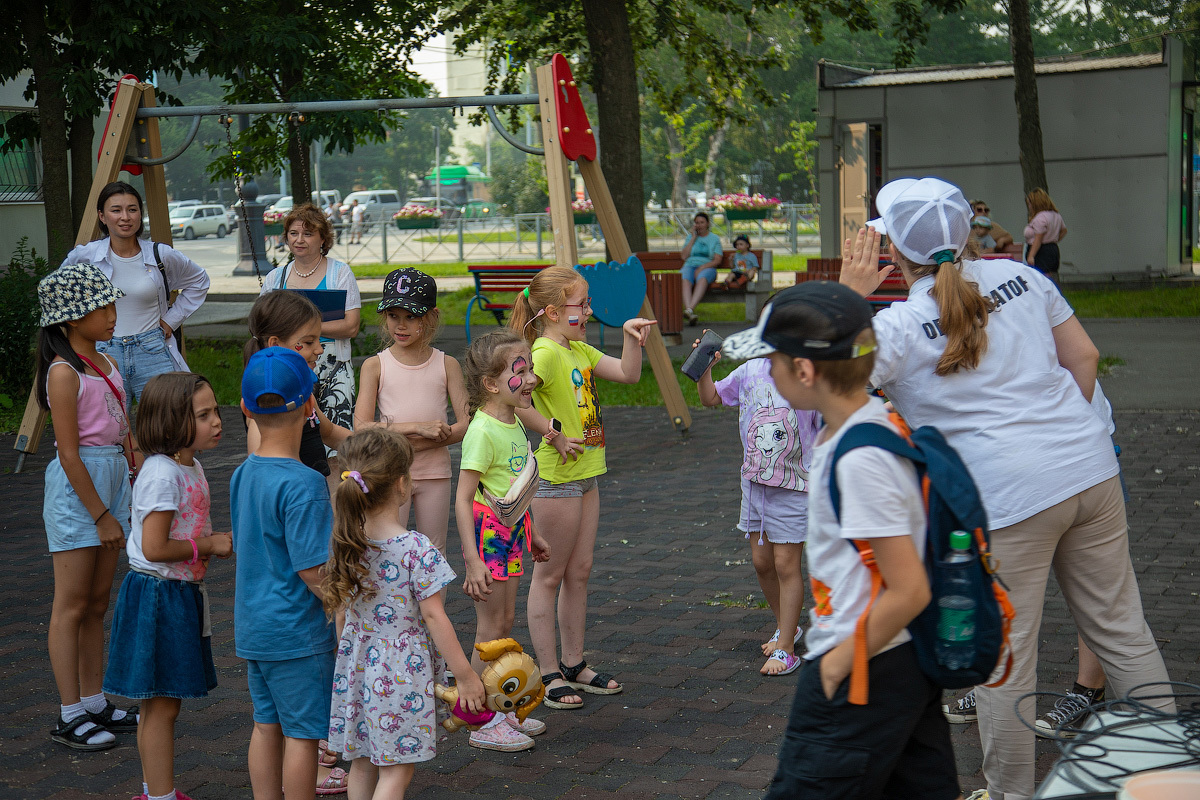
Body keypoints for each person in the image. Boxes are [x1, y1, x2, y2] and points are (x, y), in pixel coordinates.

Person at [840, 176, 1173, 800]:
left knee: (1004, 660)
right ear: (967, 231)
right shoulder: (1027, 278)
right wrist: (1058, 440)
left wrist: (848, 297)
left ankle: (1012, 794)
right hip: (1089, 469)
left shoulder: (900, 327)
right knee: (1123, 630)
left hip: (1005, 500)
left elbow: (821, 379)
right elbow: (1085, 359)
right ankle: (1175, 774)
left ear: (891, 253)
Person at [721, 282, 960, 800]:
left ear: (805, 372)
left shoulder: (860, 458)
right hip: (896, 657)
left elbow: (909, 590)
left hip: (864, 659)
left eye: (772, 361)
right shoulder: (857, 426)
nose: (767, 372)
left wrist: (834, 662)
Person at [508, 267, 656, 709]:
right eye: (582, 304)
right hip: (557, 479)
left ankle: (574, 664)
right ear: (553, 310)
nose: (589, 310)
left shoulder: (576, 348)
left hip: (587, 474)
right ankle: (549, 673)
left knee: (580, 571)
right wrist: (552, 433)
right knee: (550, 575)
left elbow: (629, 375)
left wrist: (631, 337)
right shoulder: (545, 352)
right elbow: (515, 398)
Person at [322, 428, 486, 799]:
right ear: (401, 485)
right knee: (396, 773)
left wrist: (346, 661)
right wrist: (466, 677)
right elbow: (434, 617)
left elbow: (344, 617)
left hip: (359, 667)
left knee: (362, 763)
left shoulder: (348, 540)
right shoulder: (415, 548)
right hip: (401, 673)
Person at [102, 372, 233, 800]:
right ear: (173, 419)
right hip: (158, 597)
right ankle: (158, 795)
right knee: (160, 705)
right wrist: (207, 544)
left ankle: (155, 791)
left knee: (160, 704)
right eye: (204, 414)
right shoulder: (162, 474)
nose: (217, 421)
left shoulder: (187, 464)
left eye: (215, 411)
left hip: (176, 594)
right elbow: (156, 547)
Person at [36, 263, 138, 751]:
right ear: (73, 318)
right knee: (71, 604)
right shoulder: (63, 372)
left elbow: (120, 423)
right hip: (82, 492)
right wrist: (101, 514)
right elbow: (70, 454)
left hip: (114, 478)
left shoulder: (107, 361)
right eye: (103, 307)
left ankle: (95, 699)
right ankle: (69, 712)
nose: (113, 315)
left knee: (98, 603)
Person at [231, 346, 338, 799]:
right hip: (297, 634)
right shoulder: (306, 484)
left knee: (265, 725)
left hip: (254, 628)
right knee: (304, 736)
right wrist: (346, 599)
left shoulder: (242, 473)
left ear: (244, 408)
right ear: (311, 406)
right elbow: (312, 569)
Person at [454, 329, 553, 749]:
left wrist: (532, 534)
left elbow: (509, 491)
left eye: (530, 367)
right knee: (490, 627)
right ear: (491, 384)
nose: (531, 378)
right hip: (488, 537)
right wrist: (473, 560)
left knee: (504, 623)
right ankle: (476, 715)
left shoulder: (511, 421)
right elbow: (463, 500)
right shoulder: (482, 431)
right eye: (521, 370)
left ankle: (495, 706)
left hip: (510, 533)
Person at [697, 340, 819, 676]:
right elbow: (709, 397)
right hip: (755, 485)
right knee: (762, 562)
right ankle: (787, 626)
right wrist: (704, 369)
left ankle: (786, 651)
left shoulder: (810, 373)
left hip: (796, 487)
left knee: (785, 564)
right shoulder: (750, 370)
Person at [354, 268, 469, 557]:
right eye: (393, 316)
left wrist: (433, 439)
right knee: (387, 548)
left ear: (430, 316)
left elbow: (468, 423)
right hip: (390, 472)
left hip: (435, 472)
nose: (400, 326)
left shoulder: (448, 364)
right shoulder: (375, 365)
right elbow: (361, 426)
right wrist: (417, 428)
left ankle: (432, 605)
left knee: (435, 550)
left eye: (411, 317)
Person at [61, 181, 210, 401]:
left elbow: (199, 281)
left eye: (132, 209)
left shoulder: (160, 255)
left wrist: (171, 320)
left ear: (140, 214)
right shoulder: (86, 257)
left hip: (152, 350)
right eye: (116, 210)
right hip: (103, 350)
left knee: (165, 426)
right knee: (111, 429)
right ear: (102, 216)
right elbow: (61, 295)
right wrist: (80, 331)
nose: (125, 217)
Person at [259, 207, 360, 472]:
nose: (299, 239)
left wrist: (303, 330)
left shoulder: (340, 273)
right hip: (289, 369)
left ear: (323, 239)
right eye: (293, 233)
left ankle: (337, 509)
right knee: (293, 441)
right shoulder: (275, 278)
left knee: (336, 450)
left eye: (307, 233)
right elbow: (260, 326)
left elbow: (351, 325)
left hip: (333, 369)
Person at [244, 291, 351, 479]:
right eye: (309, 342)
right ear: (275, 344)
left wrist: (375, 446)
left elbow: (330, 432)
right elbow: (263, 473)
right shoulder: (266, 402)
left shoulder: (302, 393)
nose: (319, 349)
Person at [680, 211, 723, 325]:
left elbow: (717, 260)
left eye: (702, 222)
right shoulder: (690, 237)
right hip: (690, 265)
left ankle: (689, 309)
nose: (699, 225)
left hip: (708, 267)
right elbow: (684, 256)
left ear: (707, 224)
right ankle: (690, 312)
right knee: (685, 278)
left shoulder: (714, 239)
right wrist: (693, 238)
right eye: (697, 223)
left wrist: (702, 267)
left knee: (702, 278)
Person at [1024, 188, 1068, 282]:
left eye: (1030, 203)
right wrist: (1054, 239)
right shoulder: (1055, 215)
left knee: (1039, 279)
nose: (1029, 206)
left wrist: (1031, 255)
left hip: (1040, 252)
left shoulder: (1040, 218)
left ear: (1036, 203)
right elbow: (1064, 231)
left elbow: (1038, 239)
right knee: (1048, 278)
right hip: (1052, 249)